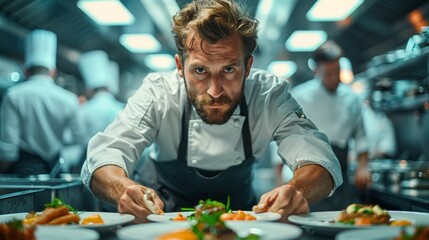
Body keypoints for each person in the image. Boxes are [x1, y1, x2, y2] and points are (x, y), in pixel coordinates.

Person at [80, 0, 342, 223]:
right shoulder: (159, 92)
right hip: (162, 223)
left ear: (248, 66)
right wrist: (124, 189)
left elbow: (318, 158)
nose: (215, 91)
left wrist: (296, 190)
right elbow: (106, 154)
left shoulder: (268, 95)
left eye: (229, 70)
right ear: (180, 66)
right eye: (200, 71)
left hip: (241, 222)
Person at [289, 40, 371, 211]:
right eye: (328, 73)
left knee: (342, 218)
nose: (334, 78)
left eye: (337, 71)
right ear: (316, 70)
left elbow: (361, 138)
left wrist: (363, 167)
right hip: (310, 169)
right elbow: (287, 136)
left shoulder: (352, 98)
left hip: (342, 169)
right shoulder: (300, 96)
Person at [0, 29, 84, 175]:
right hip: (54, 170)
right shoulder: (69, 99)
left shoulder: (14, 95)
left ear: (26, 71)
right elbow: (78, 138)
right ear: (53, 72)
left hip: (23, 171)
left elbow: (9, 146)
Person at [78, 50, 125, 145]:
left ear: (89, 90)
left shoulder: (83, 110)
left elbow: (75, 137)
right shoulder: (121, 109)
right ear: (109, 87)